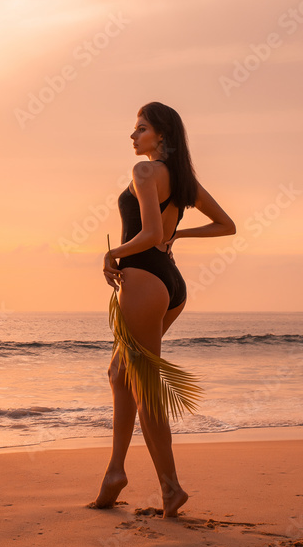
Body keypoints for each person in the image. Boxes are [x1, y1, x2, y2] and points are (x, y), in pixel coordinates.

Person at [89, 101, 236, 517]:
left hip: (142, 279)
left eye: (140, 128)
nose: (133, 136)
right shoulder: (183, 180)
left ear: (161, 136)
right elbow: (227, 225)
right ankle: (115, 472)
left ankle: (170, 488)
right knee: (120, 373)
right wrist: (180, 235)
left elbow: (151, 234)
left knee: (146, 387)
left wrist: (111, 253)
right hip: (171, 284)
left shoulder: (144, 172)